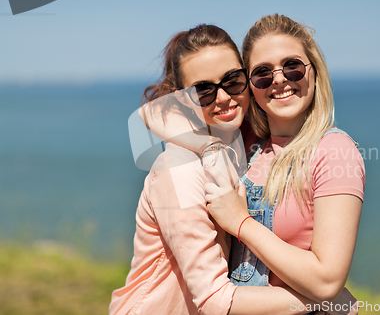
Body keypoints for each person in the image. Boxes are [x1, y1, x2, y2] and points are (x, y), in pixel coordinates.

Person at [110, 23, 352, 315]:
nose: (223, 97)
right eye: (203, 90)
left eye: (232, 81)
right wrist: (324, 300)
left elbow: (150, 114)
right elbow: (214, 300)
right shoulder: (181, 170)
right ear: (182, 99)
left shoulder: (244, 138)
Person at [204, 14, 365, 313]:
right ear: (250, 86)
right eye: (263, 72)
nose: (279, 78)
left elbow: (327, 282)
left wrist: (242, 223)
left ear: (314, 72)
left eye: (292, 66)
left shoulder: (333, 151)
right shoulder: (247, 148)